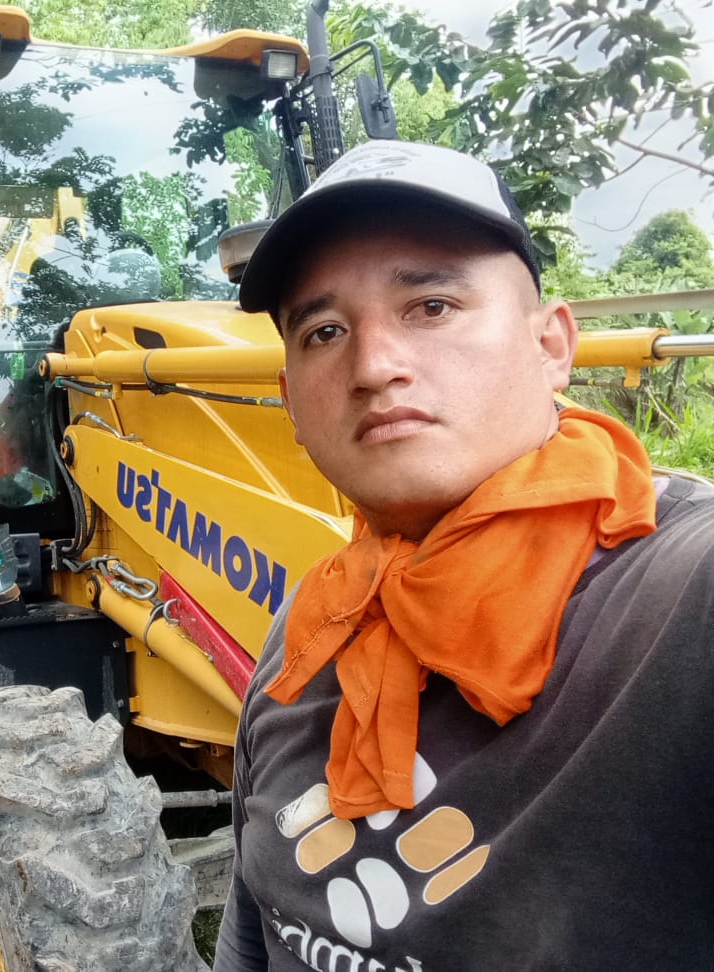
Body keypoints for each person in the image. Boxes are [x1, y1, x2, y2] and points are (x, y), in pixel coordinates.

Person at [215, 141, 714, 970]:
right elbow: (252, 929)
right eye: (325, 331)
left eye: (432, 306)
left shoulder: (677, 597)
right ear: (290, 402)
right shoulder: (311, 626)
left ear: (553, 347)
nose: (375, 366)